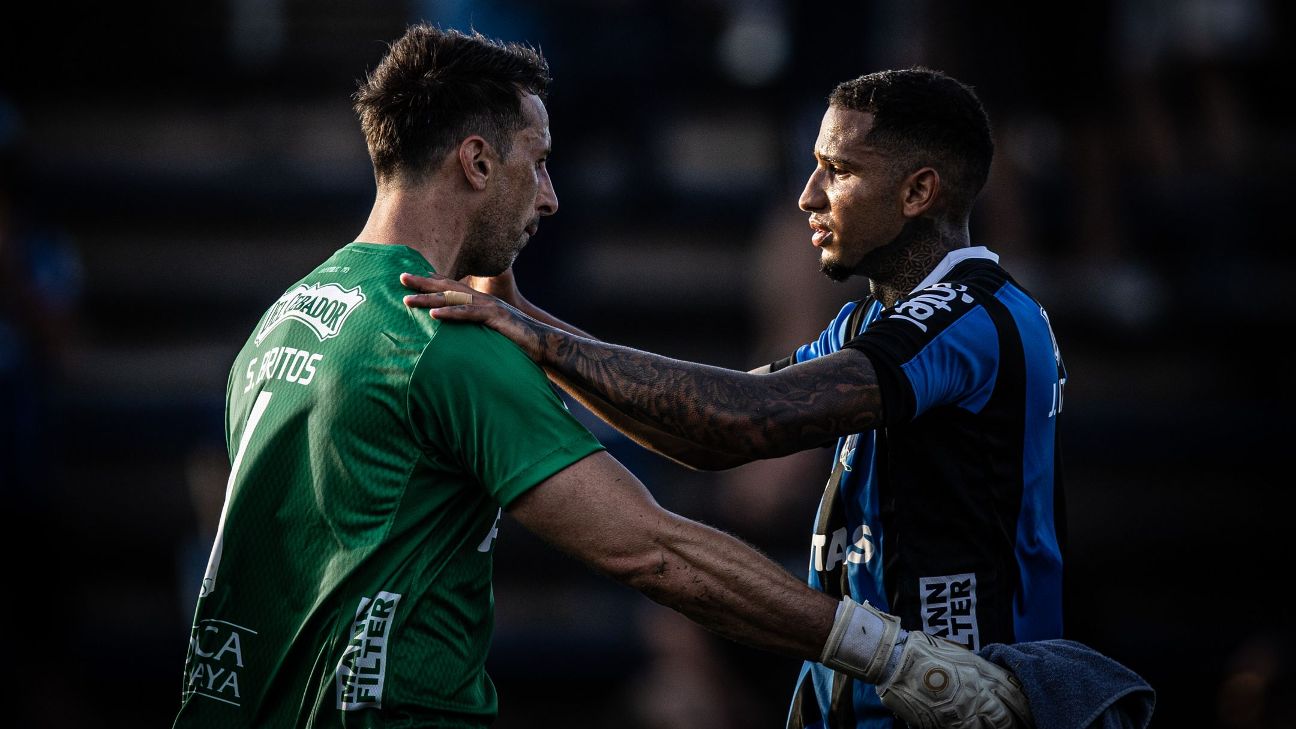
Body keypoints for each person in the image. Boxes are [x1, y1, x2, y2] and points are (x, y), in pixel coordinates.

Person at [173, 28, 1031, 729]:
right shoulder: (441, 340)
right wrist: (894, 654)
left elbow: (725, 425)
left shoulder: (286, 315)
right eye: (536, 161)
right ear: (476, 162)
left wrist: (537, 331)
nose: (548, 196)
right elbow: (652, 547)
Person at [403, 67, 1068, 728]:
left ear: (918, 190)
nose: (809, 196)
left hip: (962, 701)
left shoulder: (975, 316)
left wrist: (542, 344)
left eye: (837, 170)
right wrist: (526, 320)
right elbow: (705, 429)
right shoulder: (869, 324)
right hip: (878, 700)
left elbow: (748, 420)